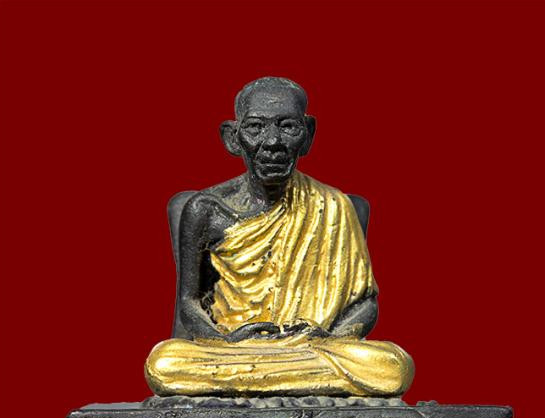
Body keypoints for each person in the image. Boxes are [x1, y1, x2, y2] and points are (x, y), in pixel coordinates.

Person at [145, 77, 414, 396]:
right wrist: (226, 341)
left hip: (312, 346)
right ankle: (302, 382)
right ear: (232, 137)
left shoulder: (336, 207)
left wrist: (330, 337)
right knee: (164, 362)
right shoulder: (205, 210)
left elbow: (365, 304)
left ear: (308, 134)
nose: (272, 141)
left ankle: (253, 381)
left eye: (288, 127)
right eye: (256, 128)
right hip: (234, 348)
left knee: (392, 366)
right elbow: (189, 304)